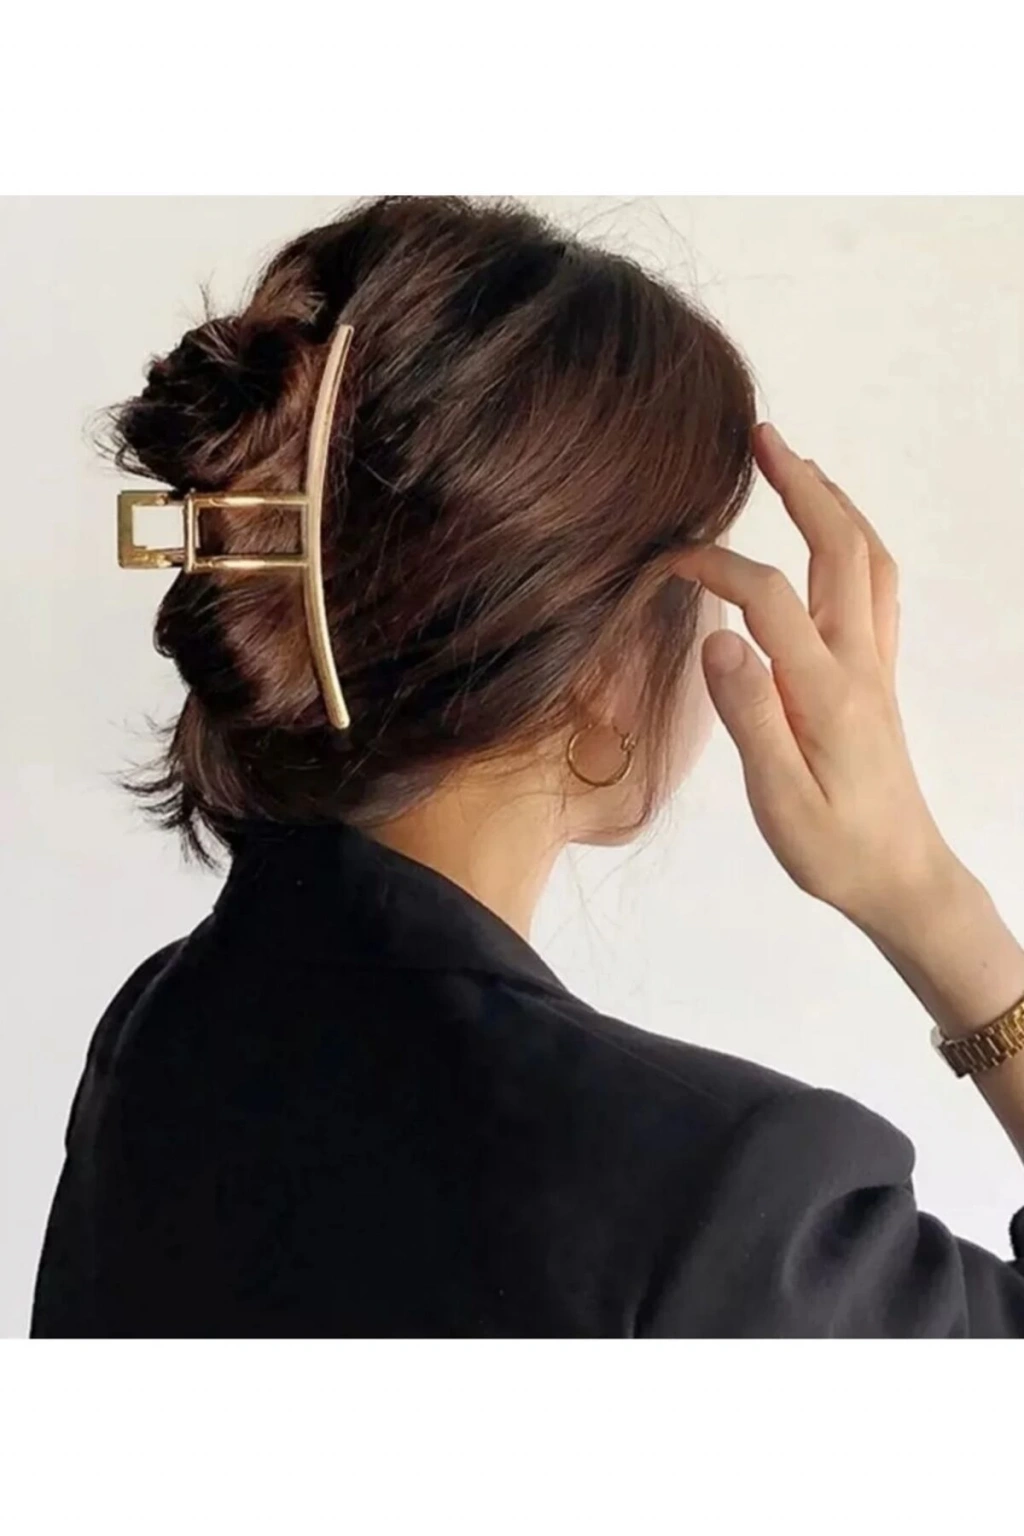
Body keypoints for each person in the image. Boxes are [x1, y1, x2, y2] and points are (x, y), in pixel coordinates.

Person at [31, 195, 1024, 1338]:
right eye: (709, 581)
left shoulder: (163, 1036)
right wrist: (924, 895)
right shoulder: (718, 1209)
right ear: (598, 668)